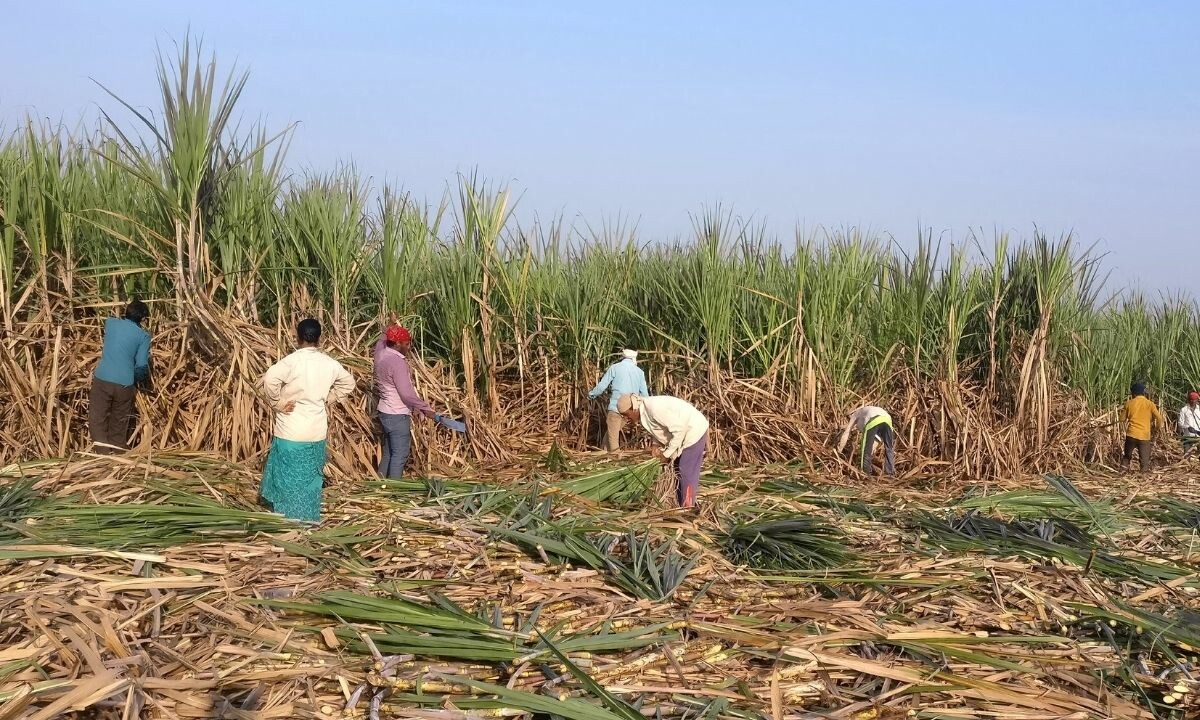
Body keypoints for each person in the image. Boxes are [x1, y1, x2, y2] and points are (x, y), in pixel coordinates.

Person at [260, 318, 356, 523]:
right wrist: (329, 399)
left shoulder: (292, 361)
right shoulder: (329, 363)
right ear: (319, 339)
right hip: (316, 430)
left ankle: (286, 522)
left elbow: (270, 380)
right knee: (311, 479)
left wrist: (278, 402)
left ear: (298, 337)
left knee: (288, 478)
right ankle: (308, 520)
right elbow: (349, 383)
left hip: (291, 428)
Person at [616, 393, 708, 508]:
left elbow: (679, 430)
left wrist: (666, 454)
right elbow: (658, 428)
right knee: (677, 470)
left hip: (693, 431)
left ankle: (687, 508)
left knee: (685, 471)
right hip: (684, 434)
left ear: (633, 408)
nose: (626, 418)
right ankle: (679, 504)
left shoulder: (654, 409)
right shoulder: (644, 411)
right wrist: (655, 444)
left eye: (626, 414)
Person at [89, 300, 152, 453]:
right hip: (125, 385)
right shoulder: (144, 336)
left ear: (127, 311)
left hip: (102, 380)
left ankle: (103, 456)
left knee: (97, 420)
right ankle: (118, 460)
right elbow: (142, 365)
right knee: (119, 424)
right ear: (143, 319)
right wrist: (135, 378)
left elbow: (110, 319)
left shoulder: (110, 323)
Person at [373, 321, 434, 479]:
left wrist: (390, 326)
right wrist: (425, 408)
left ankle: (380, 486)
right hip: (397, 414)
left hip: (384, 412)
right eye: (406, 344)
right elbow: (406, 393)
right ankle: (394, 492)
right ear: (398, 343)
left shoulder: (380, 353)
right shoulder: (396, 363)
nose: (408, 347)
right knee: (399, 455)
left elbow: (381, 339)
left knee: (389, 453)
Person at [588, 349, 649, 452]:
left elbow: (602, 386)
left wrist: (590, 395)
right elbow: (645, 395)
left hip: (616, 408)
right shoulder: (640, 372)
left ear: (623, 354)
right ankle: (602, 456)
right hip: (629, 410)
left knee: (613, 438)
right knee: (610, 434)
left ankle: (616, 460)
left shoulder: (615, 368)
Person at [836, 405, 895, 475]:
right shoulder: (866, 411)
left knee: (865, 450)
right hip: (888, 420)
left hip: (874, 419)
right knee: (889, 448)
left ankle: (865, 472)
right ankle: (890, 472)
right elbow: (877, 440)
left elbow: (846, 433)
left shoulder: (855, 415)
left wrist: (839, 452)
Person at [1122, 382, 1164, 472]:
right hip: (1144, 436)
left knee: (1127, 456)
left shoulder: (1129, 403)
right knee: (1144, 460)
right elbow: (1159, 418)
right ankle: (1143, 477)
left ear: (1133, 393)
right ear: (1143, 393)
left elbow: (1122, 419)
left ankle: (1122, 472)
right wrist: (1157, 427)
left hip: (1131, 434)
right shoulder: (1150, 404)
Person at [1179, 391, 1200, 460]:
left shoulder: (1199, 410)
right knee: (1186, 456)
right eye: (1191, 400)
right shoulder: (1184, 410)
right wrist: (1187, 427)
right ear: (1188, 400)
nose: (1192, 401)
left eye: (1194, 400)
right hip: (1187, 436)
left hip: (1198, 436)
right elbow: (1180, 423)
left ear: (1197, 400)